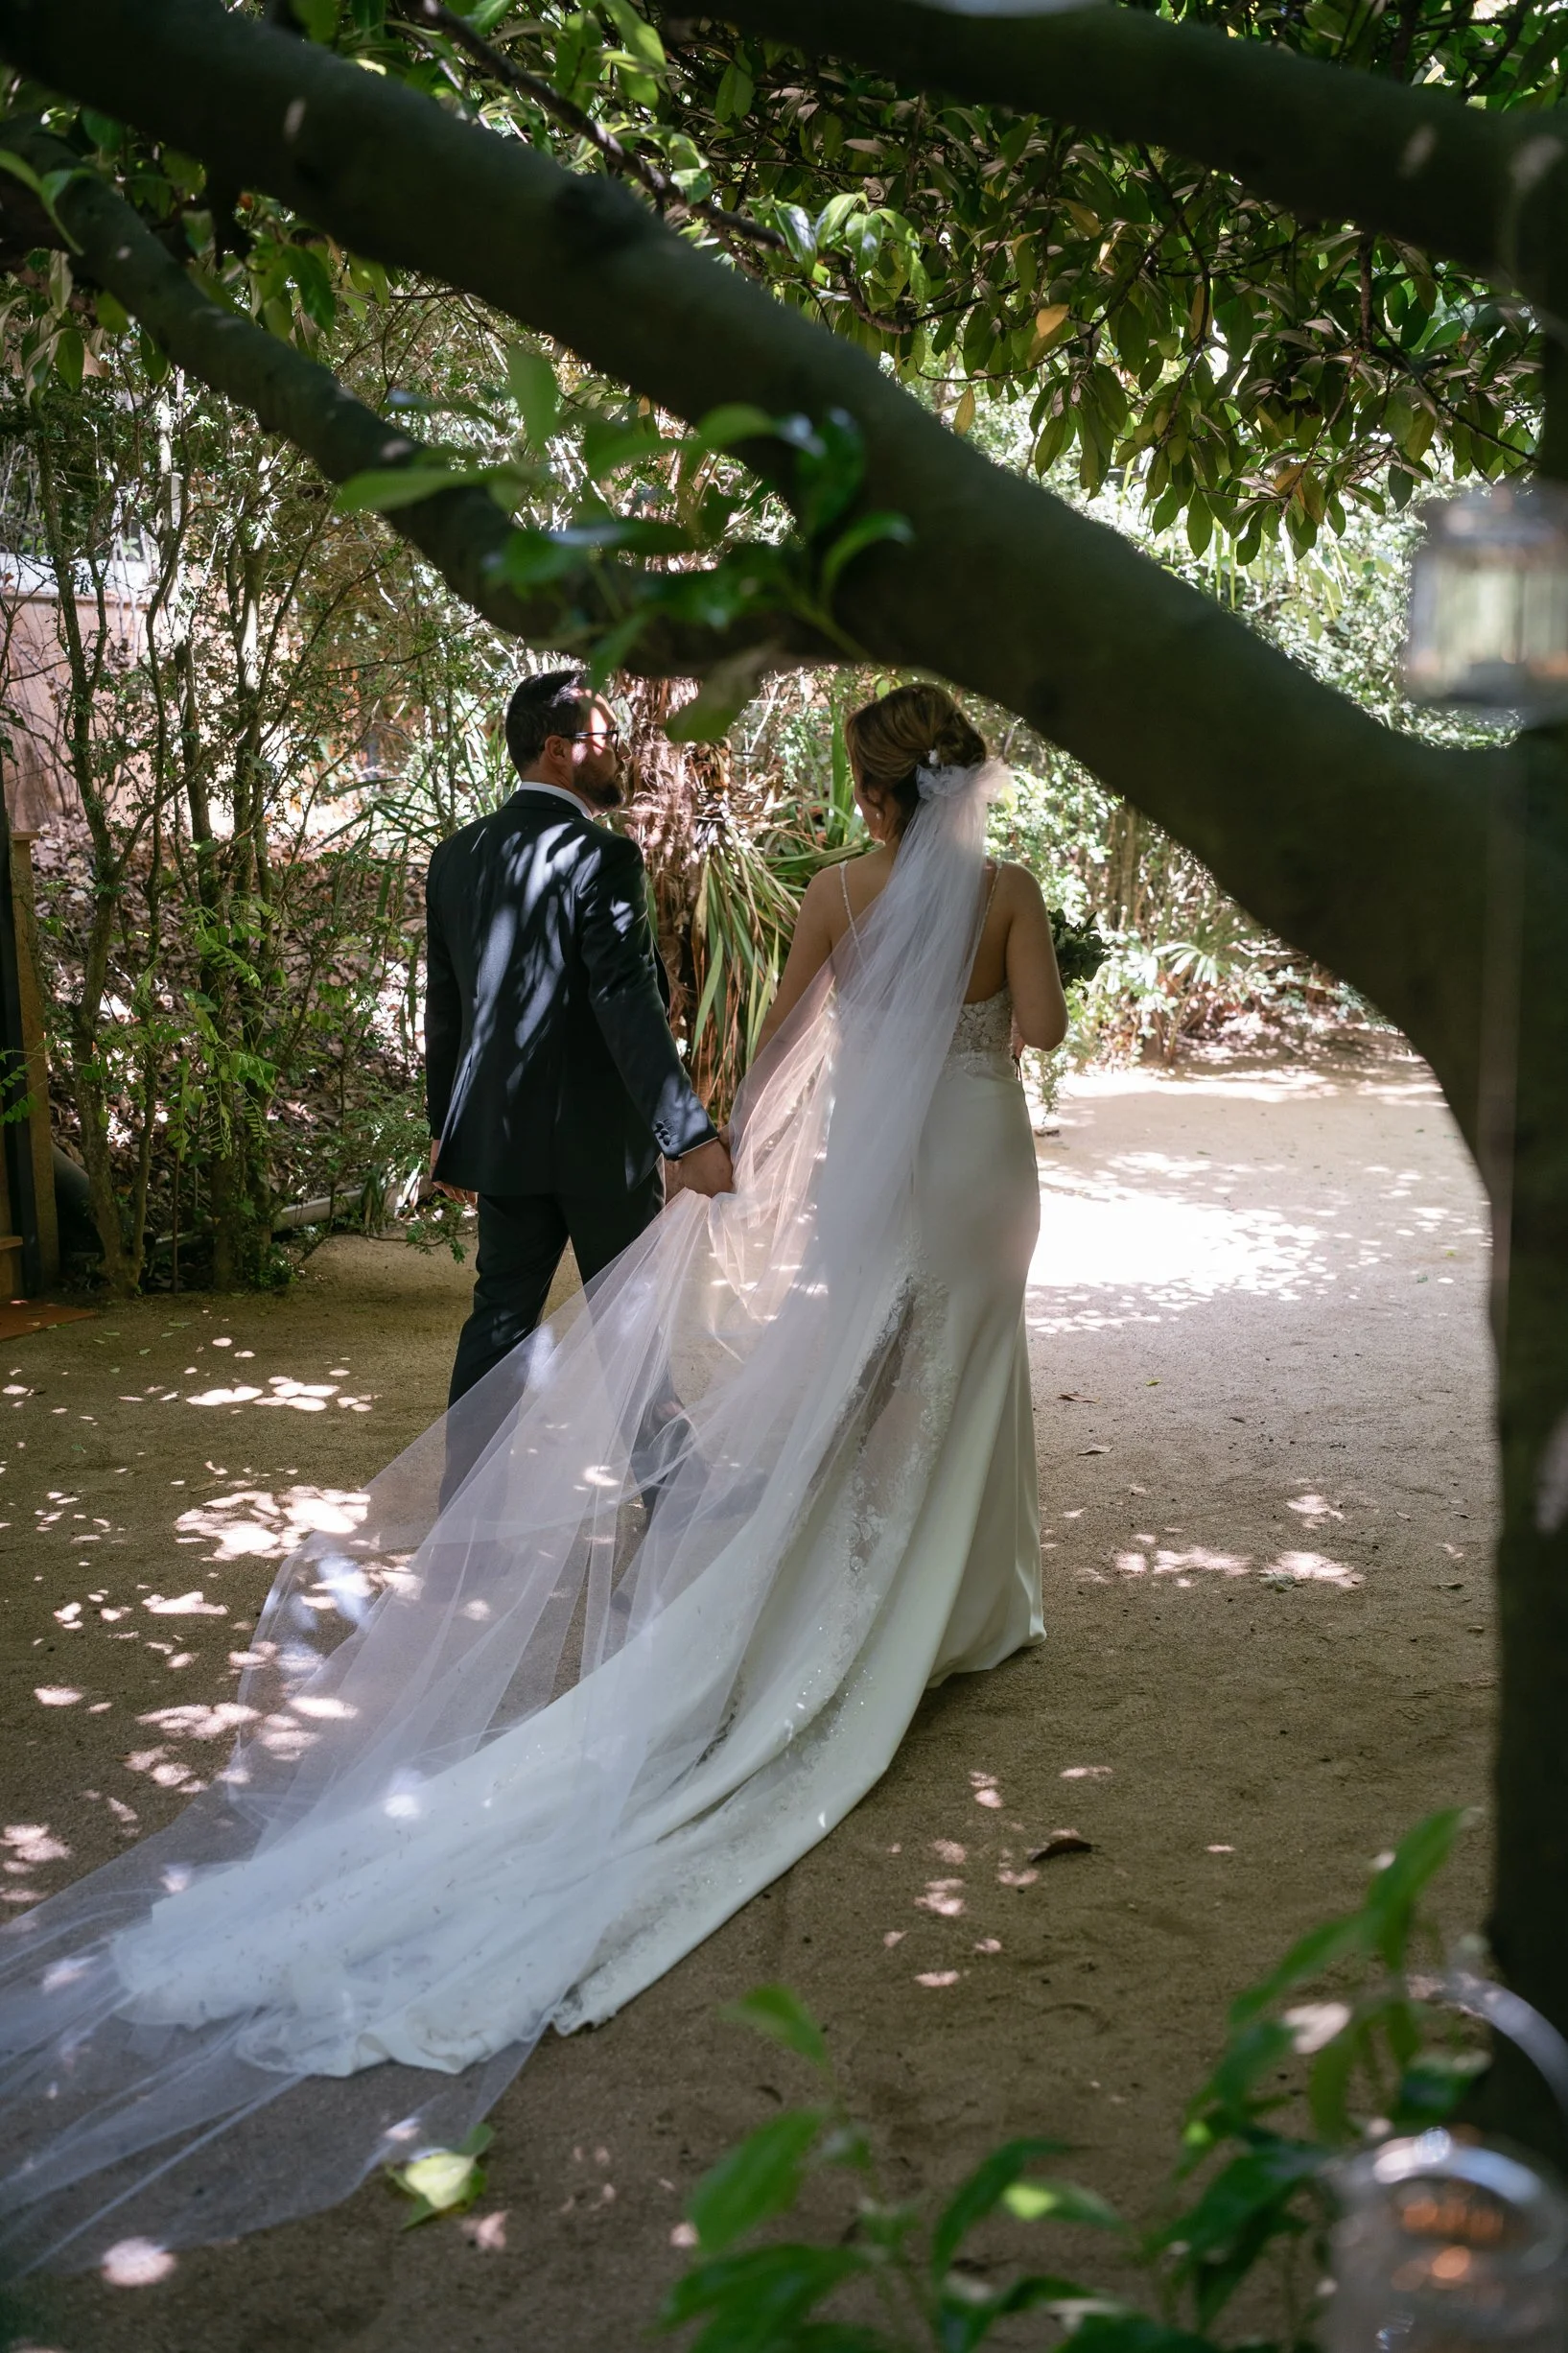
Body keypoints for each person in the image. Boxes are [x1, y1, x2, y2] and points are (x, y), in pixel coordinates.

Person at [0, 684, 1068, 2273]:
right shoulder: (978, 894)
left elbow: (735, 1026)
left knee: (613, 1339)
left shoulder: (735, 883)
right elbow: (1004, 1031)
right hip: (906, 1152)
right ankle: (915, 1582)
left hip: (685, 1153)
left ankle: (605, 1508)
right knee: (899, 1376)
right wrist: (703, 1127)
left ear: (866, 783)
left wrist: (651, 1137)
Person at [424, 669, 734, 1410]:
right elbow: (627, 1004)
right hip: (598, 1146)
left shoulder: (458, 855)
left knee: (497, 1322)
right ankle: (670, 1504)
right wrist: (688, 1138)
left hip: (500, 1139)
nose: (620, 753)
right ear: (560, 749)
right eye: (608, 738)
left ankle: (463, 1514)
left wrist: (446, 1127)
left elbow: (445, 1007)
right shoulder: (603, 858)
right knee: (630, 1325)